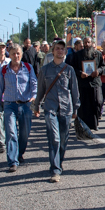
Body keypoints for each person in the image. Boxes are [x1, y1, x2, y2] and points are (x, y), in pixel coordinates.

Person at [33, 40, 80, 182]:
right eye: (57, 49)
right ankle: (55, 169)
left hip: (66, 109)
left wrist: (76, 109)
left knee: (63, 140)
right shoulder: (45, 69)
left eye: (62, 49)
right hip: (50, 109)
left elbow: (75, 91)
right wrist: (36, 106)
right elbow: (40, 90)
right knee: (54, 138)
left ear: (65, 52)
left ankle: (58, 163)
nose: (59, 51)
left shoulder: (69, 70)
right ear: (52, 51)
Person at [0, 44, 37, 172]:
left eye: (18, 53)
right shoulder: (4, 70)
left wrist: (34, 97)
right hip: (9, 105)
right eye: (13, 53)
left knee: (24, 133)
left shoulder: (28, 68)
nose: (16, 56)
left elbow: (34, 83)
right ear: (9, 54)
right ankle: (12, 161)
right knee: (11, 132)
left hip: (25, 105)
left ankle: (19, 153)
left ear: (21, 54)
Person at [73, 36, 103, 130]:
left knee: (98, 101)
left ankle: (95, 122)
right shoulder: (77, 55)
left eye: (88, 42)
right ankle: (84, 126)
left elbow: (103, 66)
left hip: (95, 83)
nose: (86, 44)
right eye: (85, 43)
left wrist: (98, 71)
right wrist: (80, 73)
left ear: (91, 43)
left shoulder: (98, 54)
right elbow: (73, 68)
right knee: (83, 106)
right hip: (83, 84)